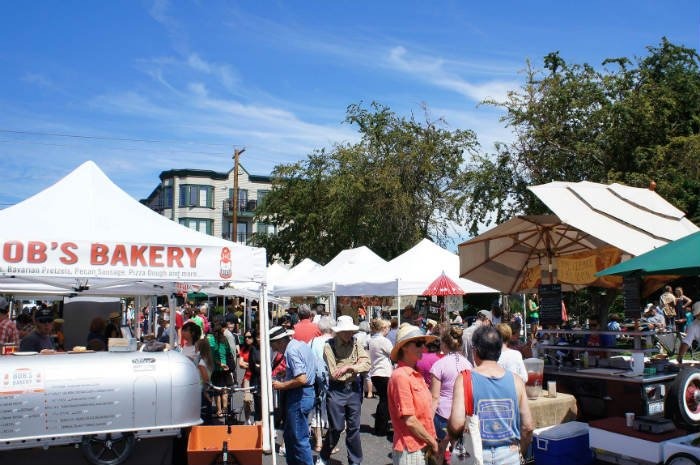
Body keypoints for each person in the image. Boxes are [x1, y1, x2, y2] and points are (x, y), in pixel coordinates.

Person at [448, 325, 534, 465]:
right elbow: (528, 427)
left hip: (475, 454)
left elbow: (456, 424)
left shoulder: (464, 379)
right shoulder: (516, 381)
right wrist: (520, 452)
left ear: (475, 351)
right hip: (510, 454)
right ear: (499, 350)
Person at [317, 315, 370, 465]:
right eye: (346, 331)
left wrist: (349, 366)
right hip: (337, 390)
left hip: (353, 389)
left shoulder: (356, 342)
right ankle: (324, 454)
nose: (349, 334)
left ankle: (355, 461)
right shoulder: (329, 346)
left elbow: (367, 363)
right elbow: (335, 374)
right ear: (339, 331)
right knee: (337, 427)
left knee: (354, 429)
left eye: (350, 331)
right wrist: (356, 365)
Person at [387, 324, 438, 465]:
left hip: (420, 445)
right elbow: (409, 420)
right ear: (404, 347)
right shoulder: (401, 376)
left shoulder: (415, 374)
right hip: (411, 448)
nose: (424, 348)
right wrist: (432, 441)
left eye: (424, 344)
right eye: (419, 344)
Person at [270, 325, 316, 465]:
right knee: (290, 435)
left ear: (279, 342)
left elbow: (302, 378)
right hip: (306, 393)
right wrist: (287, 374)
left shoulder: (291, 351)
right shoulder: (299, 345)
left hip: (300, 395)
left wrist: (282, 385)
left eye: (273, 345)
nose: (273, 349)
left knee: (298, 438)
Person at [430, 324, 472, 463]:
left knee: (440, 449)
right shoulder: (468, 364)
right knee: (460, 451)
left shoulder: (439, 365)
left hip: (443, 414)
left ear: (444, 344)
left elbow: (435, 397)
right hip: (462, 414)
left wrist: (428, 419)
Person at [368, 318, 393, 437]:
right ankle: (381, 428)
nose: (389, 329)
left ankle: (379, 426)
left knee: (383, 400)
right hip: (384, 372)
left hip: (375, 372)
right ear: (383, 328)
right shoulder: (384, 341)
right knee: (385, 401)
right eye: (388, 327)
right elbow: (393, 354)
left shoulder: (372, 340)